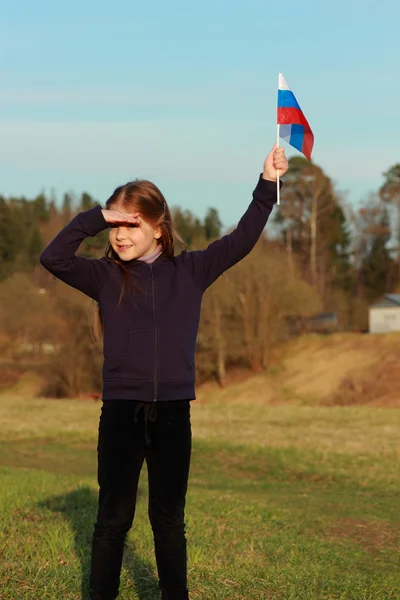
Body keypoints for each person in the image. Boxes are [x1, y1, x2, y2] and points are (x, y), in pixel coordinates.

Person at [40, 145, 288, 600]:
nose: (120, 235)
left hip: (173, 414)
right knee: (112, 520)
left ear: (158, 227)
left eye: (131, 223)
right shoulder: (103, 276)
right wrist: (99, 216)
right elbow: (52, 258)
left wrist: (267, 182)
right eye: (115, 225)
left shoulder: (191, 271)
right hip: (120, 414)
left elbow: (243, 237)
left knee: (168, 520)